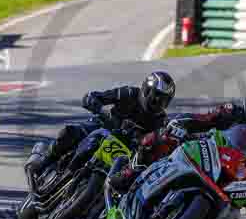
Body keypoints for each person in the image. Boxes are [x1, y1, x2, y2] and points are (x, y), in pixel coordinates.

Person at [112, 91, 246, 219]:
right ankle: (130, 171)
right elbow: (201, 120)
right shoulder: (233, 113)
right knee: (160, 139)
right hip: (205, 153)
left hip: (232, 185)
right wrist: (179, 125)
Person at [29, 71, 176, 184]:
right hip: (103, 127)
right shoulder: (130, 93)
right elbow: (95, 96)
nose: (158, 101)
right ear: (146, 89)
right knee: (70, 133)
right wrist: (96, 105)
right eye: (156, 95)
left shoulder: (160, 120)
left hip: (124, 150)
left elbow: (159, 145)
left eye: (164, 100)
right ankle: (44, 162)